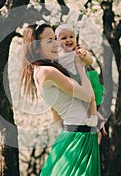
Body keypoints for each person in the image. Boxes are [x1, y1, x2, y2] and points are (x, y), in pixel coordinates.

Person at [20, 23, 101, 175]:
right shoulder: (47, 72)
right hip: (79, 137)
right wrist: (79, 67)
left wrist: (64, 133)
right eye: (49, 40)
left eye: (55, 39)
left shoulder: (41, 71)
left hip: (75, 134)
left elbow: (54, 109)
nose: (56, 44)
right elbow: (88, 95)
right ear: (36, 47)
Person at [55, 23, 105, 127]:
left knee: (90, 99)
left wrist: (85, 56)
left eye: (71, 37)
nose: (68, 40)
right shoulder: (57, 56)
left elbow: (90, 61)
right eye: (64, 38)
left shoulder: (78, 52)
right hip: (70, 82)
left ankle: (94, 116)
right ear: (57, 41)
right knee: (80, 102)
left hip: (83, 79)